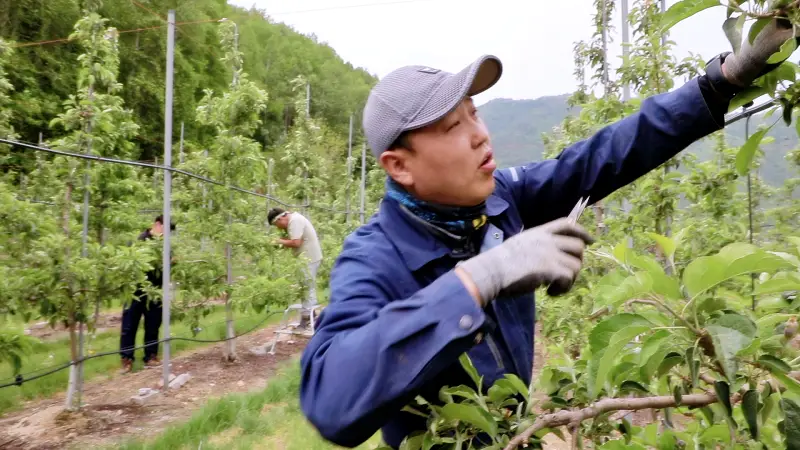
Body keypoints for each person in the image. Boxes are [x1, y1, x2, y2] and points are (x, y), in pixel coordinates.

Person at [297, 15, 800, 450]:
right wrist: (477, 280)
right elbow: (329, 398)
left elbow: (602, 155)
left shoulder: (502, 199)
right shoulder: (373, 258)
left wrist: (720, 82)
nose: (480, 134)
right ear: (398, 166)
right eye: (453, 127)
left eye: (475, 113)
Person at [119, 214, 175, 374]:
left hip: (156, 291)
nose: (166, 234)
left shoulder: (165, 245)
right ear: (157, 224)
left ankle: (150, 356)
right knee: (129, 325)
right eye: (165, 229)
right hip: (136, 291)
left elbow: (169, 266)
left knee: (153, 324)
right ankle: (127, 359)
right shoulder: (140, 241)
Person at [268, 208, 324, 329]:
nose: (278, 227)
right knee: (307, 287)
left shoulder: (294, 221)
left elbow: (296, 243)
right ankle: (310, 317)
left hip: (309, 258)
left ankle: (307, 320)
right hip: (309, 257)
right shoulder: (295, 219)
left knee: (307, 287)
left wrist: (277, 241)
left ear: (280, 218)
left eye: (276, 224)